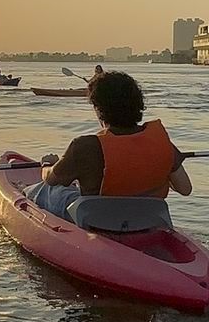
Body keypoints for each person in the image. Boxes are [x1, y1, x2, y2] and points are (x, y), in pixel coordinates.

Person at [29, 70, 192, 220]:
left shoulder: (83, 146)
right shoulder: (162, 143)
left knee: (46, 189)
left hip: (97, 220)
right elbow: (185, 188)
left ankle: (24, 193)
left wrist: (47, 165)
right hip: (146, 219)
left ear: (98, 109)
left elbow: (51, 180)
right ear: (138, 105)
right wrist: (158, 170)